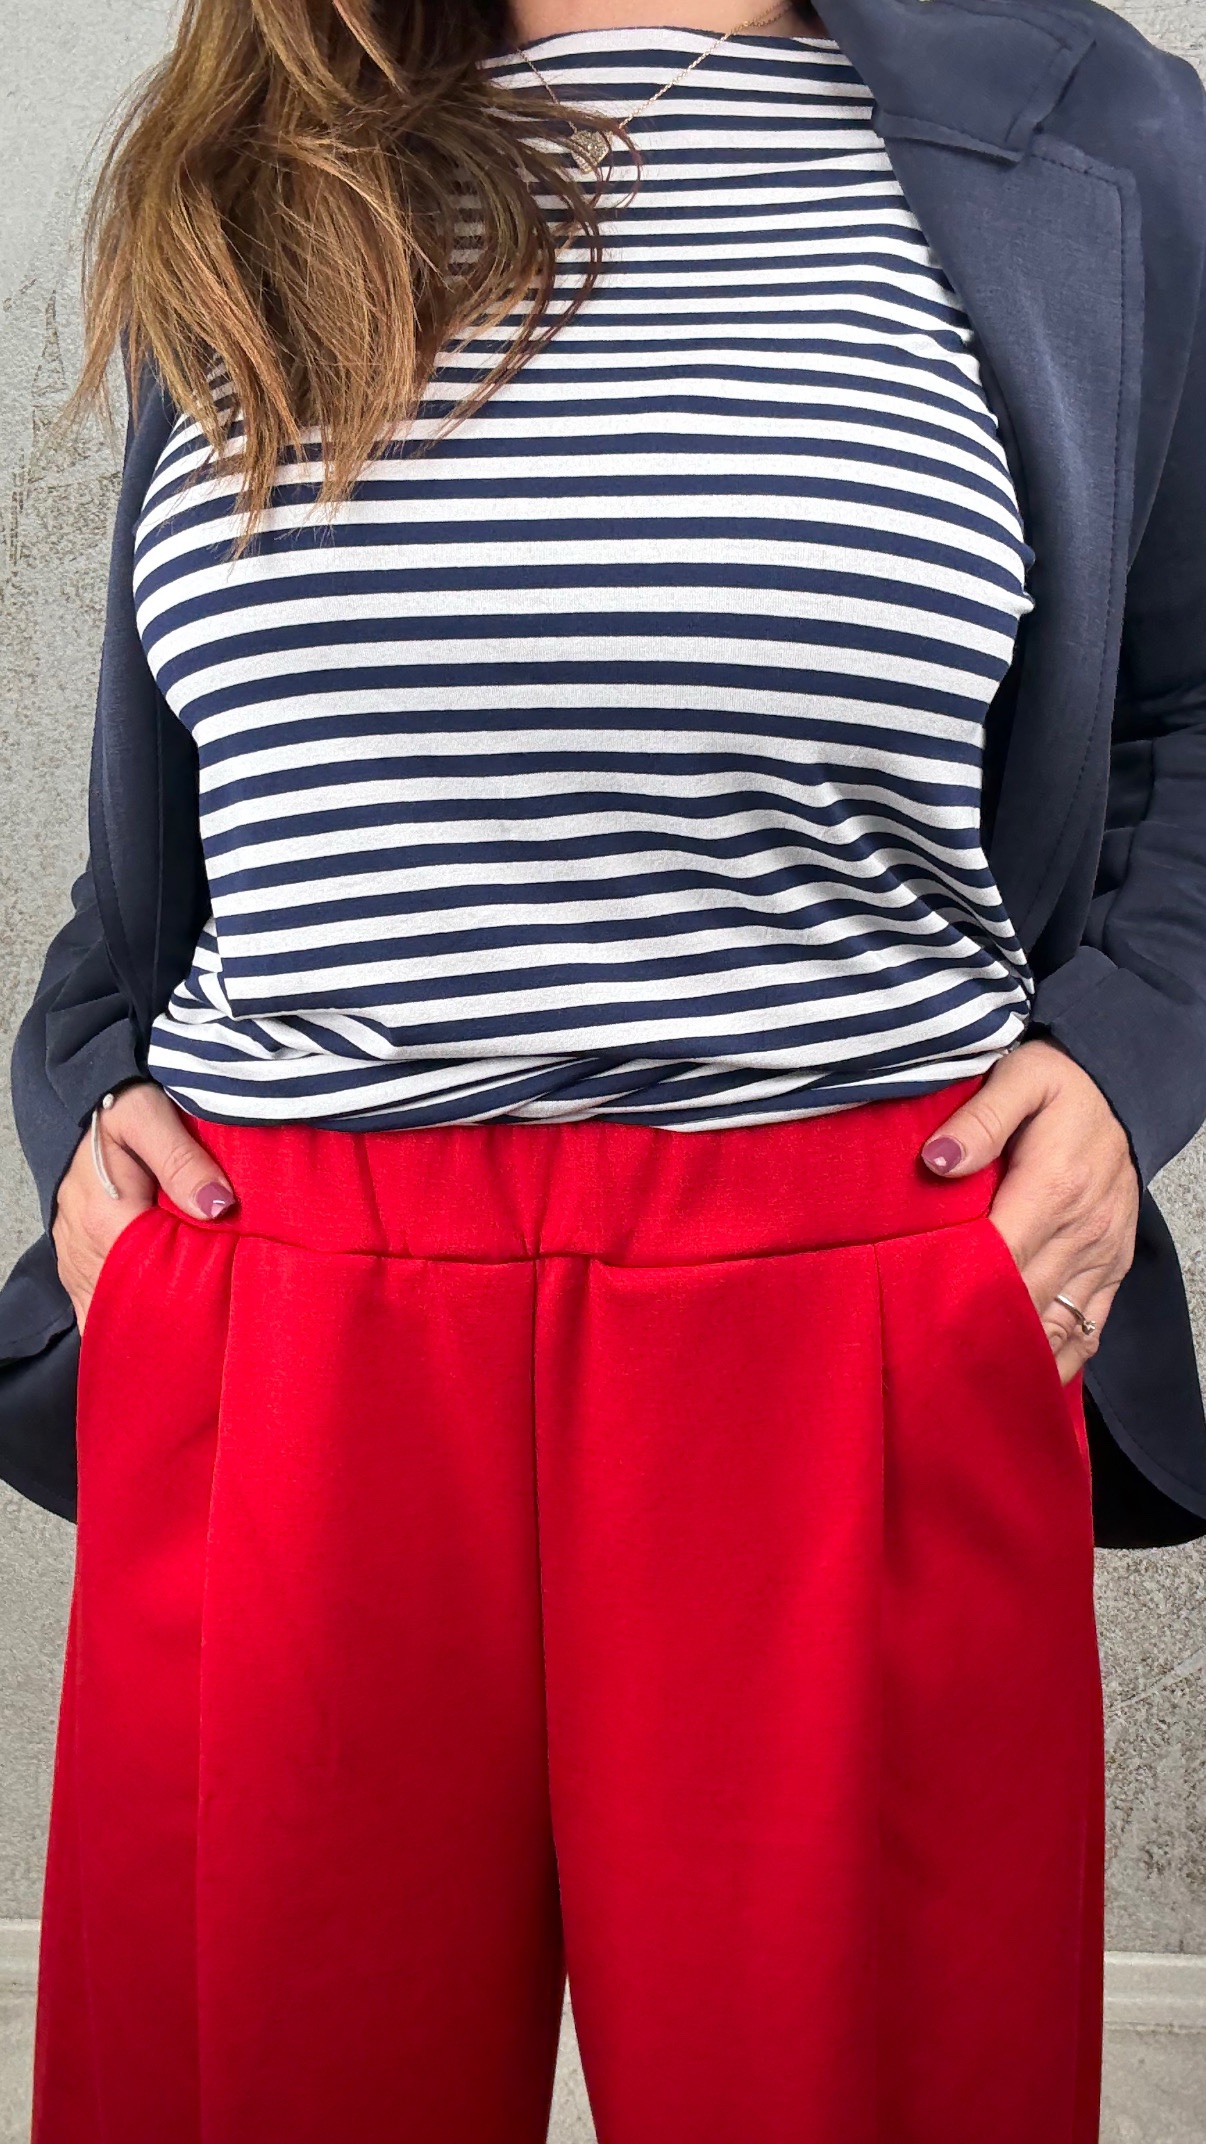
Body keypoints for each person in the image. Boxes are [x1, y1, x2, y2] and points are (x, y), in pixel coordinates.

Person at [2, 0, 1206, 2136]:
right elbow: (197, 787)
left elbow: (1192, 703)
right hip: (281, 1312)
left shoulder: (1085, 130)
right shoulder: (267, 134)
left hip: (851, 1304)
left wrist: (1122, 1062)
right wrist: (85, 1091)